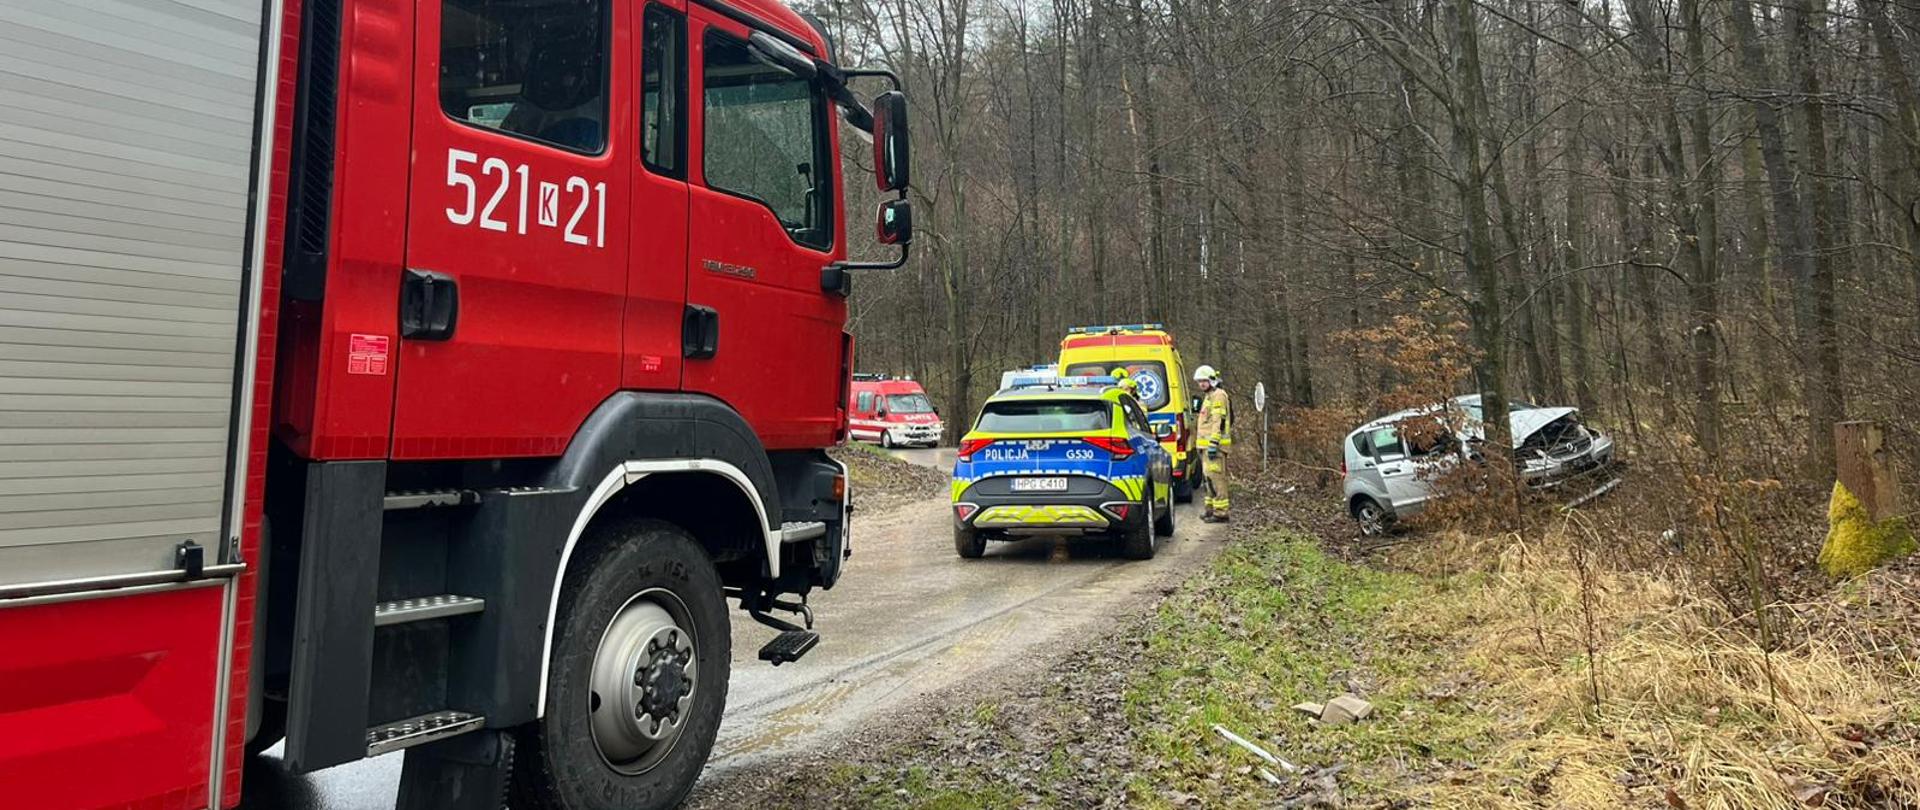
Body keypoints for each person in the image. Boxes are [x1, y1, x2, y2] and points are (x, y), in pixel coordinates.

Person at [1192, 364, 1231, 522]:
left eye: (1204, 381)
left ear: (1212, 380)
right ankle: (1210, 509)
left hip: (1214, 446)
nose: (1201, 384)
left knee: (1216, 479)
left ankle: (1221, 513)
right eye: (1199, 381)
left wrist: (1214, 442)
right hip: (1205, 447)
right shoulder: (1208, 397)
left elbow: (1218, 421)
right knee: (1208, 478)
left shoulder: (1218, 396)